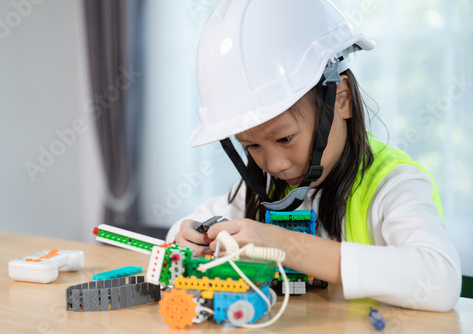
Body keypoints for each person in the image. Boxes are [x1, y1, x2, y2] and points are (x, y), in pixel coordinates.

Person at [166, 0, 461, 312]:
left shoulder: (394, 184)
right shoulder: (269, 189)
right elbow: (183, 229)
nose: (275, 164)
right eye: (251, 146)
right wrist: (190, 241)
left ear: (341, 98)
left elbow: (440, 280)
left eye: (285, 138)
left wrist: (284, 245)